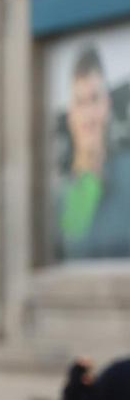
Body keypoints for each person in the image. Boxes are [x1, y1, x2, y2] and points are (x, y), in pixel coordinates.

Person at [56, 46, 130, 260]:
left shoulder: (127, 173)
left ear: (107, 105)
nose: (89, 116)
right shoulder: (61, 197)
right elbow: (70, 254)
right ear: (71, 115)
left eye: (95, 99)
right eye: (80, 102)